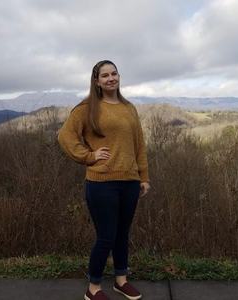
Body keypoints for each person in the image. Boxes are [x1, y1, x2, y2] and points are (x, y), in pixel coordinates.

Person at [57, 60, 150, 300]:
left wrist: (143, 177)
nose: (111, 78)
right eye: (105, 75)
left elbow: (139, 144)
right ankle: (93, 288)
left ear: (119, 76)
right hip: (101, 183)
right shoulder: (87, 107)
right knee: (106, 236)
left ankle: (121, 280)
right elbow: (65, 136)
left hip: (129, 182)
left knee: (122, 234)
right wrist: (88, 156)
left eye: (114, 73)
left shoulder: (129, 107)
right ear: (96, 81)